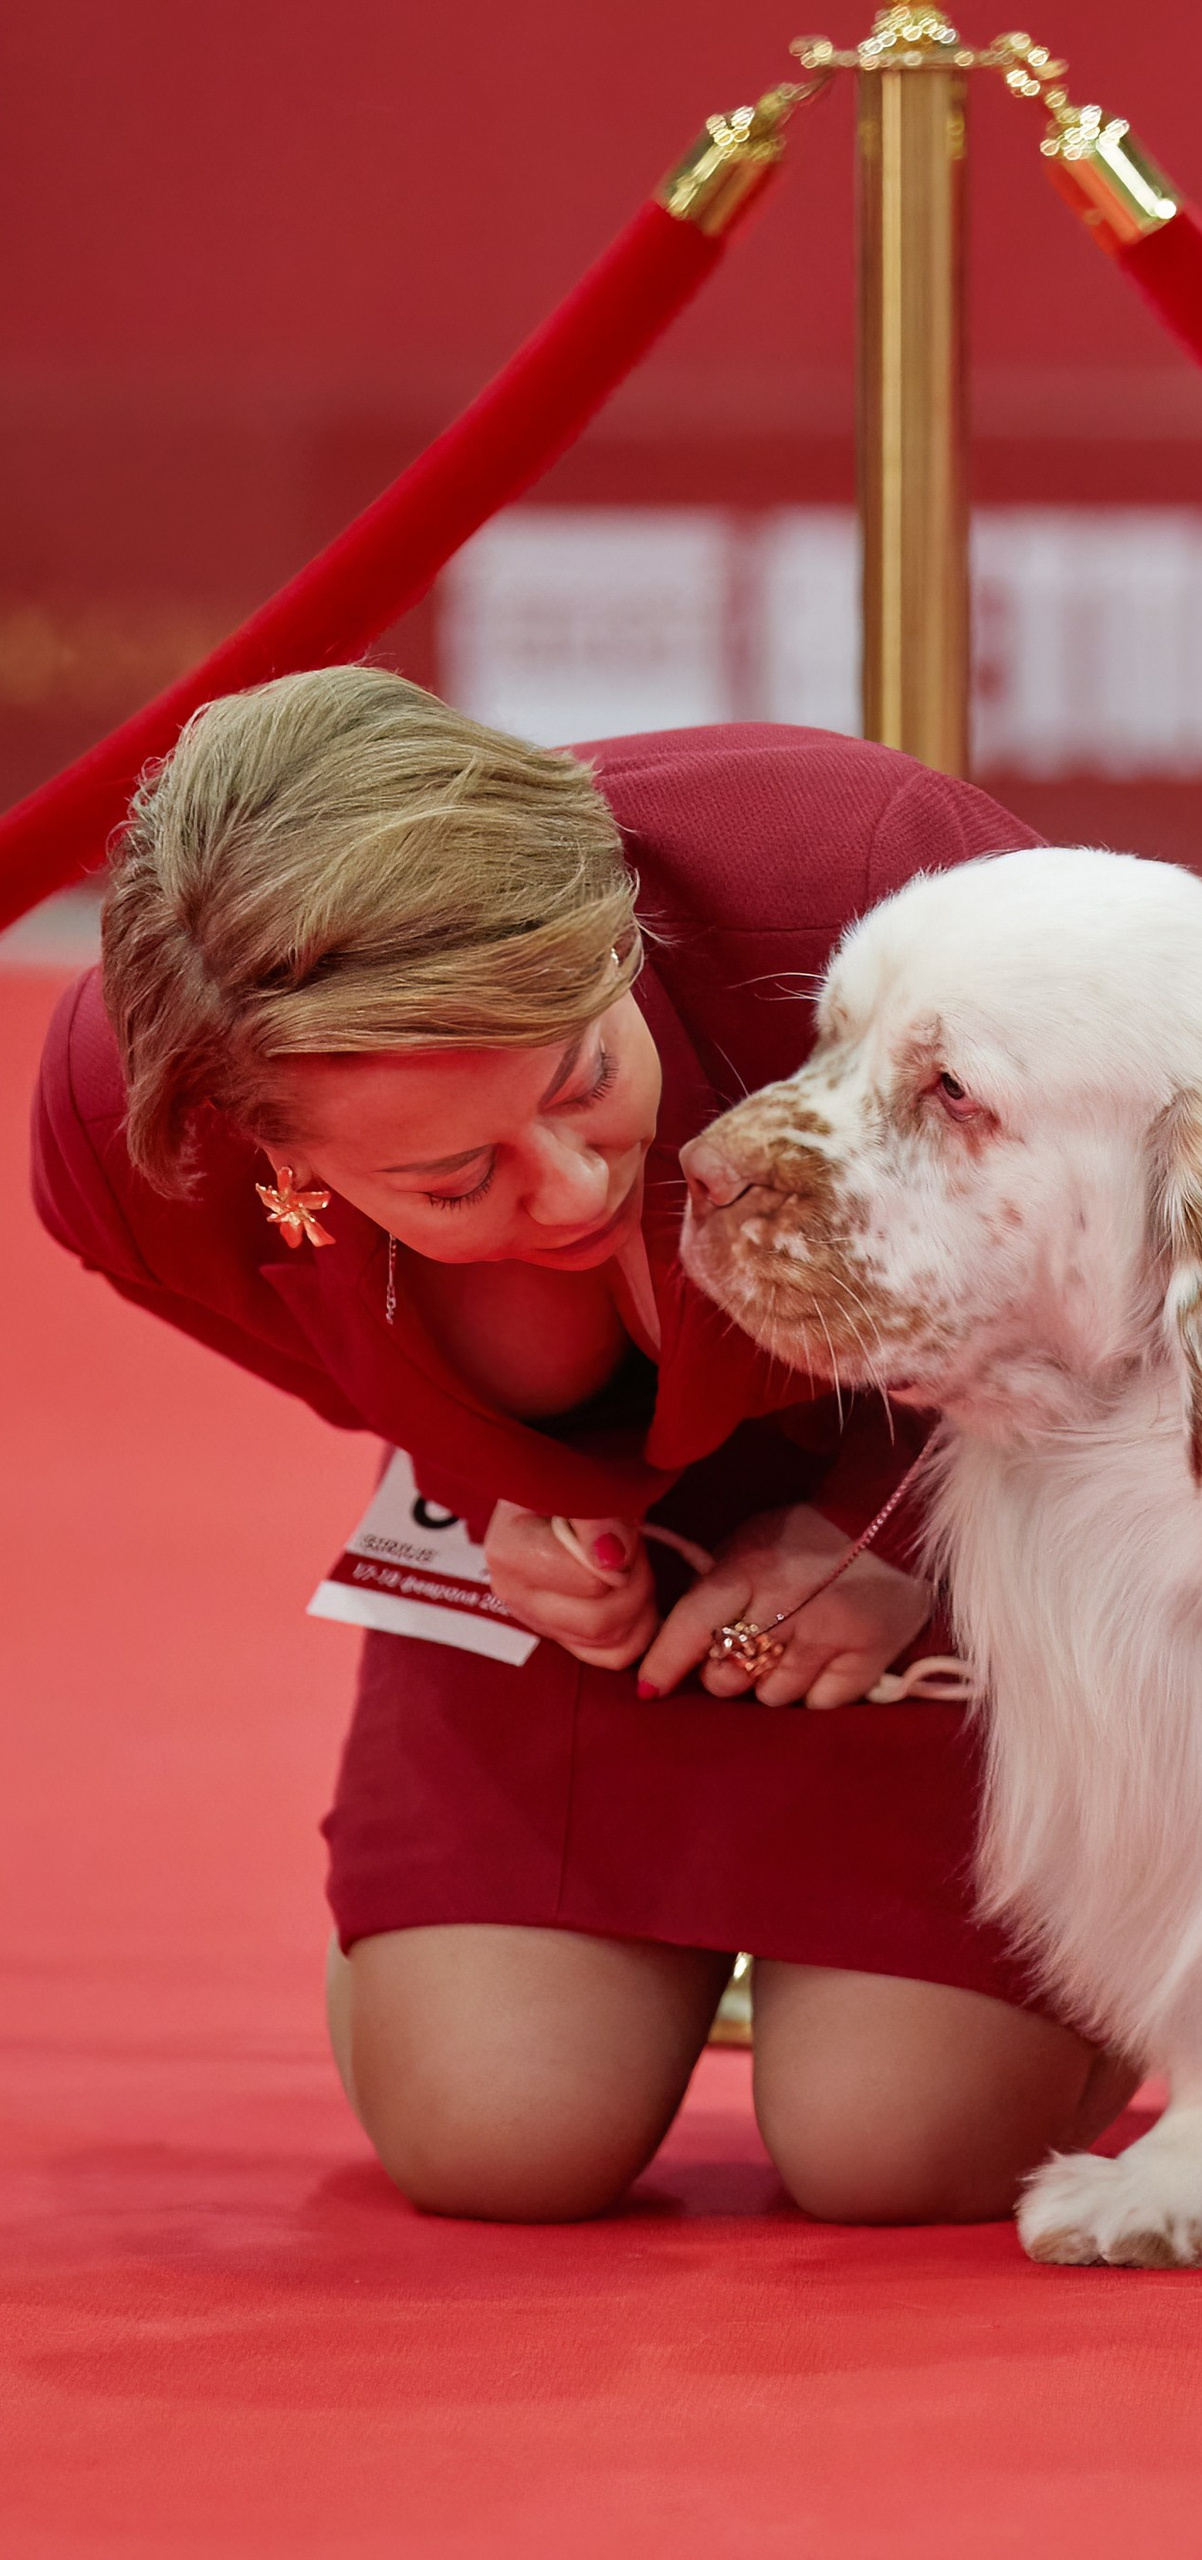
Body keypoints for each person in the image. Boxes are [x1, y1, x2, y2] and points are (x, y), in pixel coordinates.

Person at [30, 666, 1133, 2223]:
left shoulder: (860, 872)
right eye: (451, 1180)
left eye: (586, 1079)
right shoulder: (134, 1135)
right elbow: (304, 1333)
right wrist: (487, 1482)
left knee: (903, 2149)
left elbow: (1164, 1262)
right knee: (495, 2141)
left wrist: (904, 1533)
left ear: (614, 932)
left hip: (985, 1456)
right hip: (592, 1588)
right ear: (275, 1151)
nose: (566, 1191)